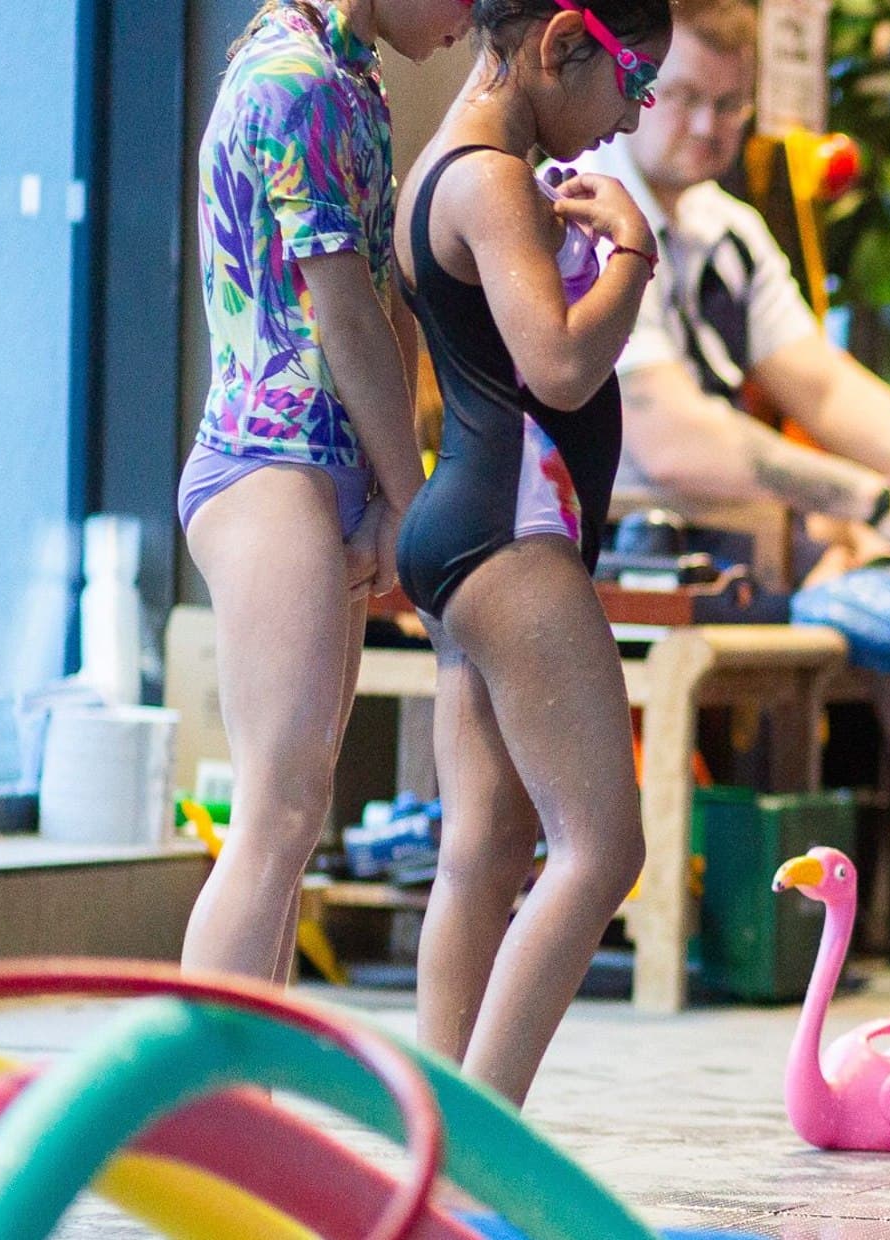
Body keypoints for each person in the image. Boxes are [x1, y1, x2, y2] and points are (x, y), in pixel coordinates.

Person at [571, 0, 890, 869]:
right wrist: (874, 502)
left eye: (732, 107)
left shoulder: (724, 229)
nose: (707, 128)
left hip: (740, 540)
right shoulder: (592, 206)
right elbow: (670, 439)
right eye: (684, 96)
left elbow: (825, 384)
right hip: (615, 541)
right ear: (636, 81)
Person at [390, 0, 669, 1105]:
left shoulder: (446, 170)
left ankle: (436, 1132)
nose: (632, 118)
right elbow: (557, 370)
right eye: (633, 81)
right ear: (563, 43)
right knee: (602, 849)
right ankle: (483, 1144)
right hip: (514, 534)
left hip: (474, 533)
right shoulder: (491, 178)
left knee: (487, 849)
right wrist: (632, 257)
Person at [181, 0, 472, 983]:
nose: (475, 17)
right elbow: (341, 315)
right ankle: (201, 1109)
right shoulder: (293, 81)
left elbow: (385, 307)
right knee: (274, 815)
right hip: (269, 464)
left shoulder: (354, 76)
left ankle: (241, 1102)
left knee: (294, 822)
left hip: (325, 468)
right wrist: (409, 497)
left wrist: (396, 495)